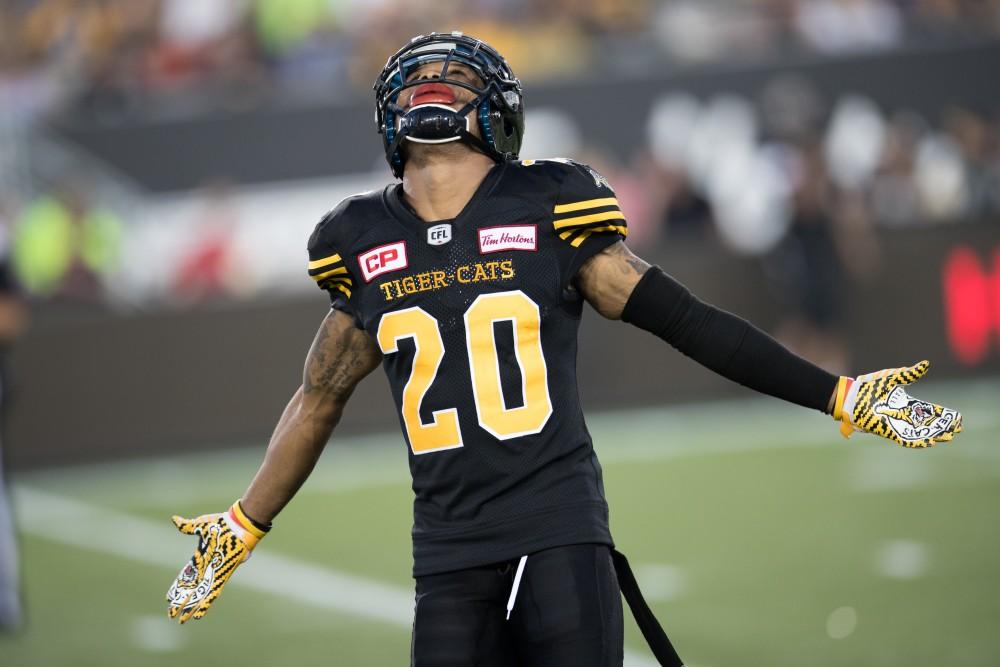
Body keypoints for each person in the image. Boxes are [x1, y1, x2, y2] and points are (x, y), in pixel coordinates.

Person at [166, 32, 963, 666]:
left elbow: (684, 318)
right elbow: (320, 396)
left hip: (552, 537)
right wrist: (241, 520)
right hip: (452, 554)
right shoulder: (376, 238)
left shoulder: (510, 215)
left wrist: (838, 393)